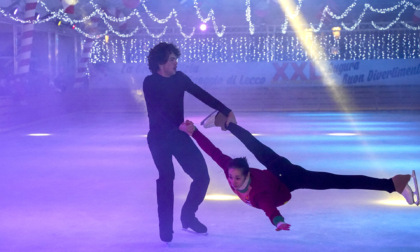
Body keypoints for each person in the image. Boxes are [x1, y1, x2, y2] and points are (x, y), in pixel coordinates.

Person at [178, 117, 419, 231]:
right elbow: (212, 151)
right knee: (252, 145)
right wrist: (193, 131)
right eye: (231, 178)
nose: (232, 181)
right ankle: (225, 122)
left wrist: (278, 221)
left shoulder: (259, 192)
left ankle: (394, 184)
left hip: (285, 173)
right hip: (278, 179)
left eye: (236, 178)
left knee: (337, 181)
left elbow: (269, 209)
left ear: (247, 174)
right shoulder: (231, 168)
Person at [143, 42, 236, 242]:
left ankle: (188, 216)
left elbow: (202, 94)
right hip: (159, 138)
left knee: (202, 177)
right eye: (171, 59)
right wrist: (177, 127)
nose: (176, 62)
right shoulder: (150, 82)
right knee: (167, 177)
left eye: (176, 58)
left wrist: (226, 110)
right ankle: (165, 231)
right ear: (160, 64)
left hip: (179, 136)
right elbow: (156, 111)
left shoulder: (180, 78)